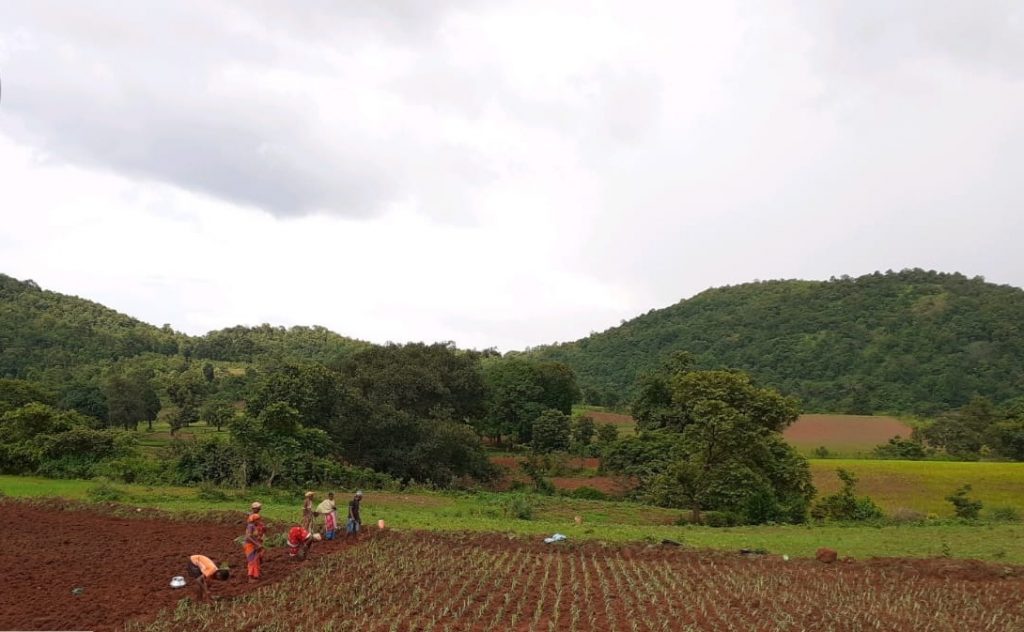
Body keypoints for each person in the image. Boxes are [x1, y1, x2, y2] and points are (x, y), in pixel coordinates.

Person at [243, 502, 266, 582]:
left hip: (255, 544)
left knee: (256, 559)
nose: (259, 521)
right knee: (252, 561)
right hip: (250, 545)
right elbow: (248, 537)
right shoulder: (250, 526)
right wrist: (257, 544)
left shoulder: (255, 525)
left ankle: (256, 574)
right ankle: (250, 577)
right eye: (258, 520)